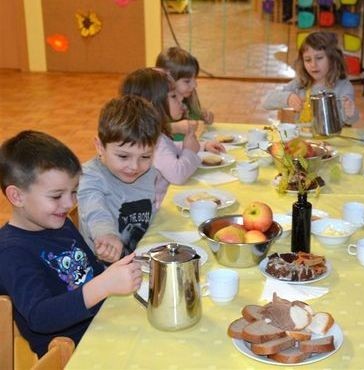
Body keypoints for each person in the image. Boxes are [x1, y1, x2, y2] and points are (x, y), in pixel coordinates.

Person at [0, 131, 142, 357]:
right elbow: (40, 317)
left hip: (102, 326)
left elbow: (91, 274)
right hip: (73, 352)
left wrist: (109, 262)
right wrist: (103, 285)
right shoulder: (10, 252)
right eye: (56, 196)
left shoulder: (60, 223)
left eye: (74, 191)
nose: (69, 203)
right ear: (17, 196)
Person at [120, 68, 225, 205]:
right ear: (154, 103)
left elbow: (170, 149)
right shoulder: (153, 141)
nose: (181, 98)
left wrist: (202, 146)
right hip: (156, 212)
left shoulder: (150, 133)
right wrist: (189, 152)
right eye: (173, 96)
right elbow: (178, 175)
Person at [77, 95, 161, 260]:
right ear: (100, 147)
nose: (134, 167)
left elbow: (148, 212)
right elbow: (94, 210)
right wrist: (106, 234)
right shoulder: (90, 176)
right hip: (102, 270)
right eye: (123, 156)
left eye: (145, 157)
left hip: (139, 258)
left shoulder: (148, 171)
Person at [263, 31, 358, 125]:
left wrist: (350, 112)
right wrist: (287, 98)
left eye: (319, 58)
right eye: (308, 60)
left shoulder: (343, 86)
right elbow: (266, 102)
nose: (313, 65)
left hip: (331, 138)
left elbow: (351, 120)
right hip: (304, 138)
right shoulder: (299, 83)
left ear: (332, 59)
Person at [155, 47, 213, 140]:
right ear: (168, 79)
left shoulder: (189, 96)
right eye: (187, 81)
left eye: (195, 79)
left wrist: (202, 115)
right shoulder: (155, 102)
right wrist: (174, 128)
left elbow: (194, 115)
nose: (195, 85)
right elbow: (145, 130)